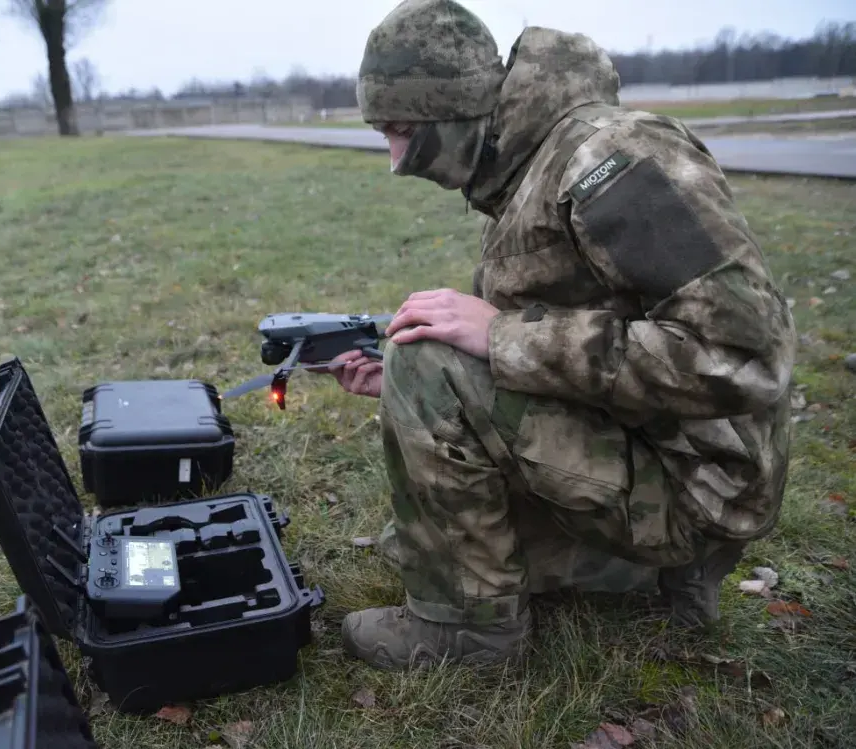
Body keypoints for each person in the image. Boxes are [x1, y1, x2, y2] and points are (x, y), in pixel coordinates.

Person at [321, 0, 797, 672]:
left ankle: (467, 631)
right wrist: (411, 378)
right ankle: (665, 576)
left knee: (432, 360)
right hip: (668, 453)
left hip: (701, 489)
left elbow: (743, 357)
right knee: (427, 360)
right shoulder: (531, 169)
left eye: (401, 131)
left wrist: (501, 340)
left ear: (453, 112)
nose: (396, 161)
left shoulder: (611, 157)